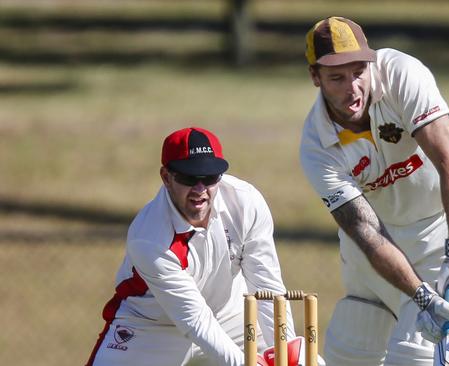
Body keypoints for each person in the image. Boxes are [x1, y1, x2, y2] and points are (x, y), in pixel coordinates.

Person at [299, 17, 449, 365]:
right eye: (337, 78)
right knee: (348, 350)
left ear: (370, 64)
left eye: (358, 72)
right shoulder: (316, 146)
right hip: (377, 245)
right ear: (316, 77)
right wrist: (422, 297)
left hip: (441, 228)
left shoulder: (402, 74)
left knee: (414, 355)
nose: (352, 88)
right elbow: (366, 232)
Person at [86, 127, 296, 366]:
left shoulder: (245, 202)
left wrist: (287, 352)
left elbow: (266, 287)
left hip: (230, 316)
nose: (200, 190)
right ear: (166, 177)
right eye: (188, 178)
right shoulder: (149, 237)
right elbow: (194, 319)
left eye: (209, 178)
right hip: (151, 325)